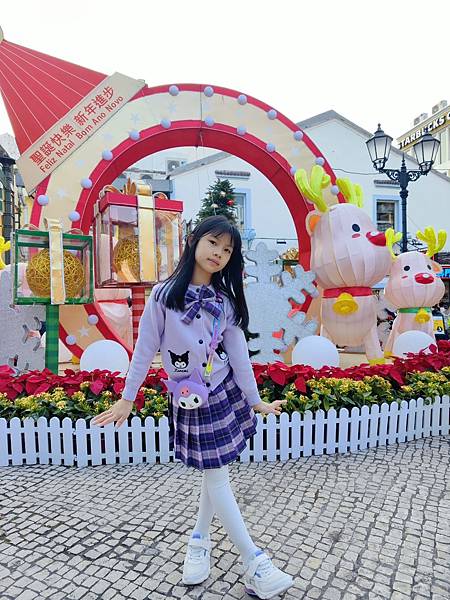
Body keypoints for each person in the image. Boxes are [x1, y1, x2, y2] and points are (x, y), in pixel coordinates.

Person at [92, 215, 294, 599]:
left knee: (215, 473)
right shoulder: (163, 296)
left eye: (227, 250)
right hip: (189, 399)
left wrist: (256, 401)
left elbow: (239, 355)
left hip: (222, 391)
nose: (218, 253)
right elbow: (144, 350)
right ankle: (254, 562)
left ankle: (200, 540)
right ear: (194, 241)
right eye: (213, 243)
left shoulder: (225, 302)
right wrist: (127, 398)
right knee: (216, 475)